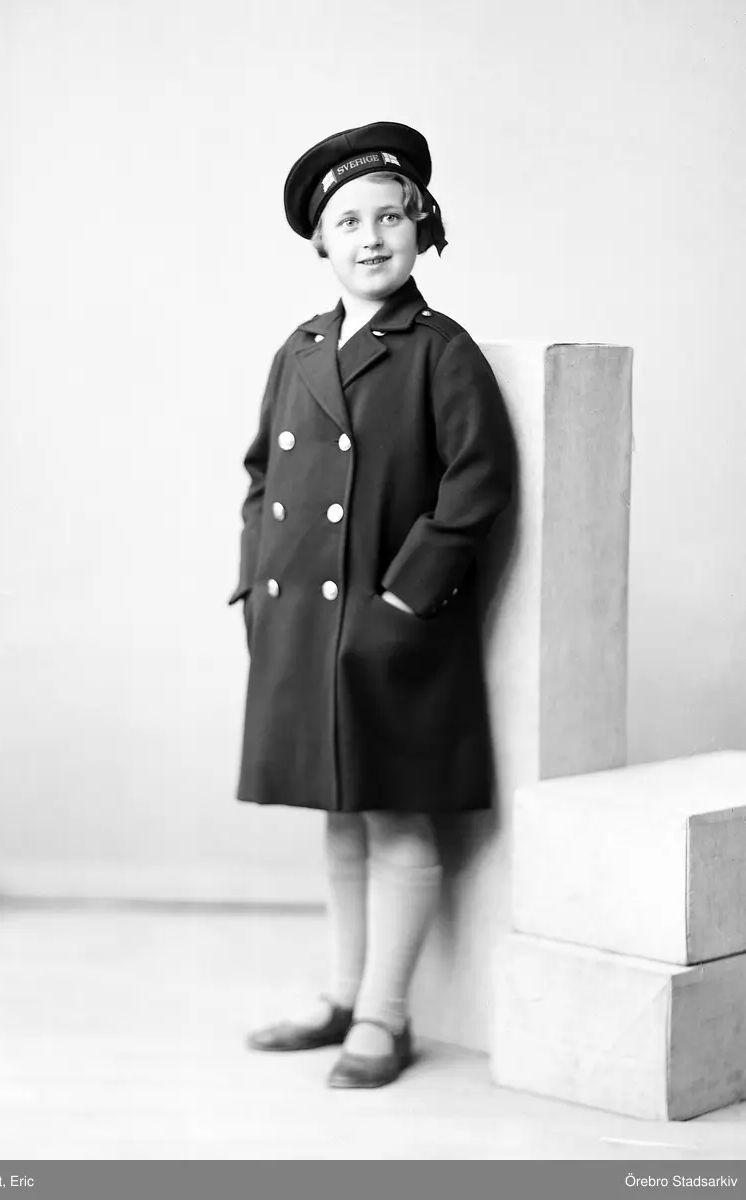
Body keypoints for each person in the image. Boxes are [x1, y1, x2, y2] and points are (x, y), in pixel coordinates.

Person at [228, 121, 514, 1089]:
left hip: (392, 630)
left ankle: (386, 1018)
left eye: (389, 216)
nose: (370, 237)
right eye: (347, 221)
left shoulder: (439, 350)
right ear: (320, 241)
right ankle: (343, 993)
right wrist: (254, 586)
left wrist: (401, 600)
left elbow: (476, 484)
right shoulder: (300, 347)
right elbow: (261, 477)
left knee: (395, 820)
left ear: (420, 227)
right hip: (304, 627)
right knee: (340, 816)